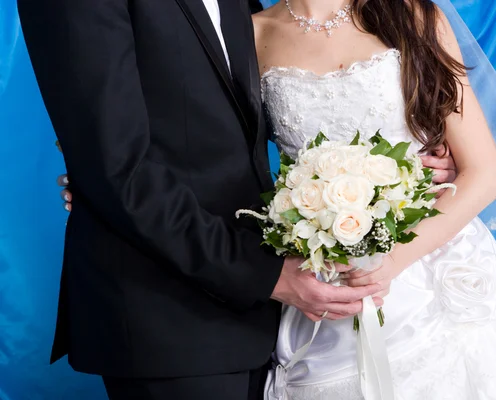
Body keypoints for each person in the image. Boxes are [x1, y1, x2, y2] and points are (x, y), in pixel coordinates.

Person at [52, 0, 496, 399]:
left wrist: (389, 261)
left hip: (424, 269)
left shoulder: (411, 16)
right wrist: (100, 178)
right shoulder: (253, 31)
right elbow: (204, 140)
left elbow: (483, 173)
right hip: (317, 277)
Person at [16, 0, 425, 398]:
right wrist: (267, 276)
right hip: (167, 318)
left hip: (275, 316)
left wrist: (407, 166)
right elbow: (117, 167)